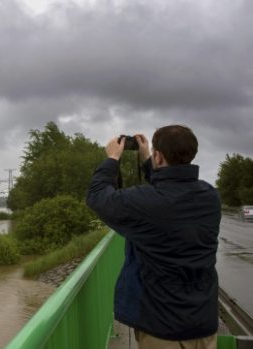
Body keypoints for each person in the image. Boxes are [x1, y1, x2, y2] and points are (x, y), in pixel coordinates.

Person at [86, 125, 221, 349]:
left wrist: (112, 158)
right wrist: (148, 158)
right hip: (205, 325)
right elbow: (171, 189)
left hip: (163, 329)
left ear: (159, 155)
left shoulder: (146, 202)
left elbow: (97, 196)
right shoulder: (210, 196)